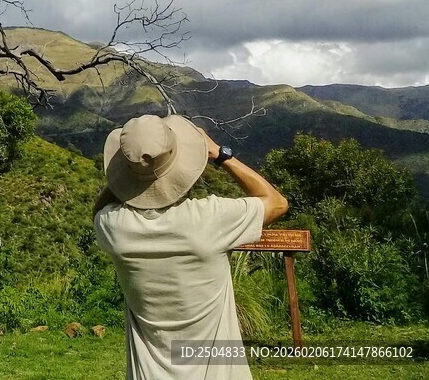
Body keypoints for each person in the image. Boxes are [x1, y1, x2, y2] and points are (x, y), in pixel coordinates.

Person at [93, 113, 288, 380]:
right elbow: (277, 202)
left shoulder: (115, 229)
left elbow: (100, 209)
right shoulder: (210, 218)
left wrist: (128, 176)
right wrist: (220, 154)